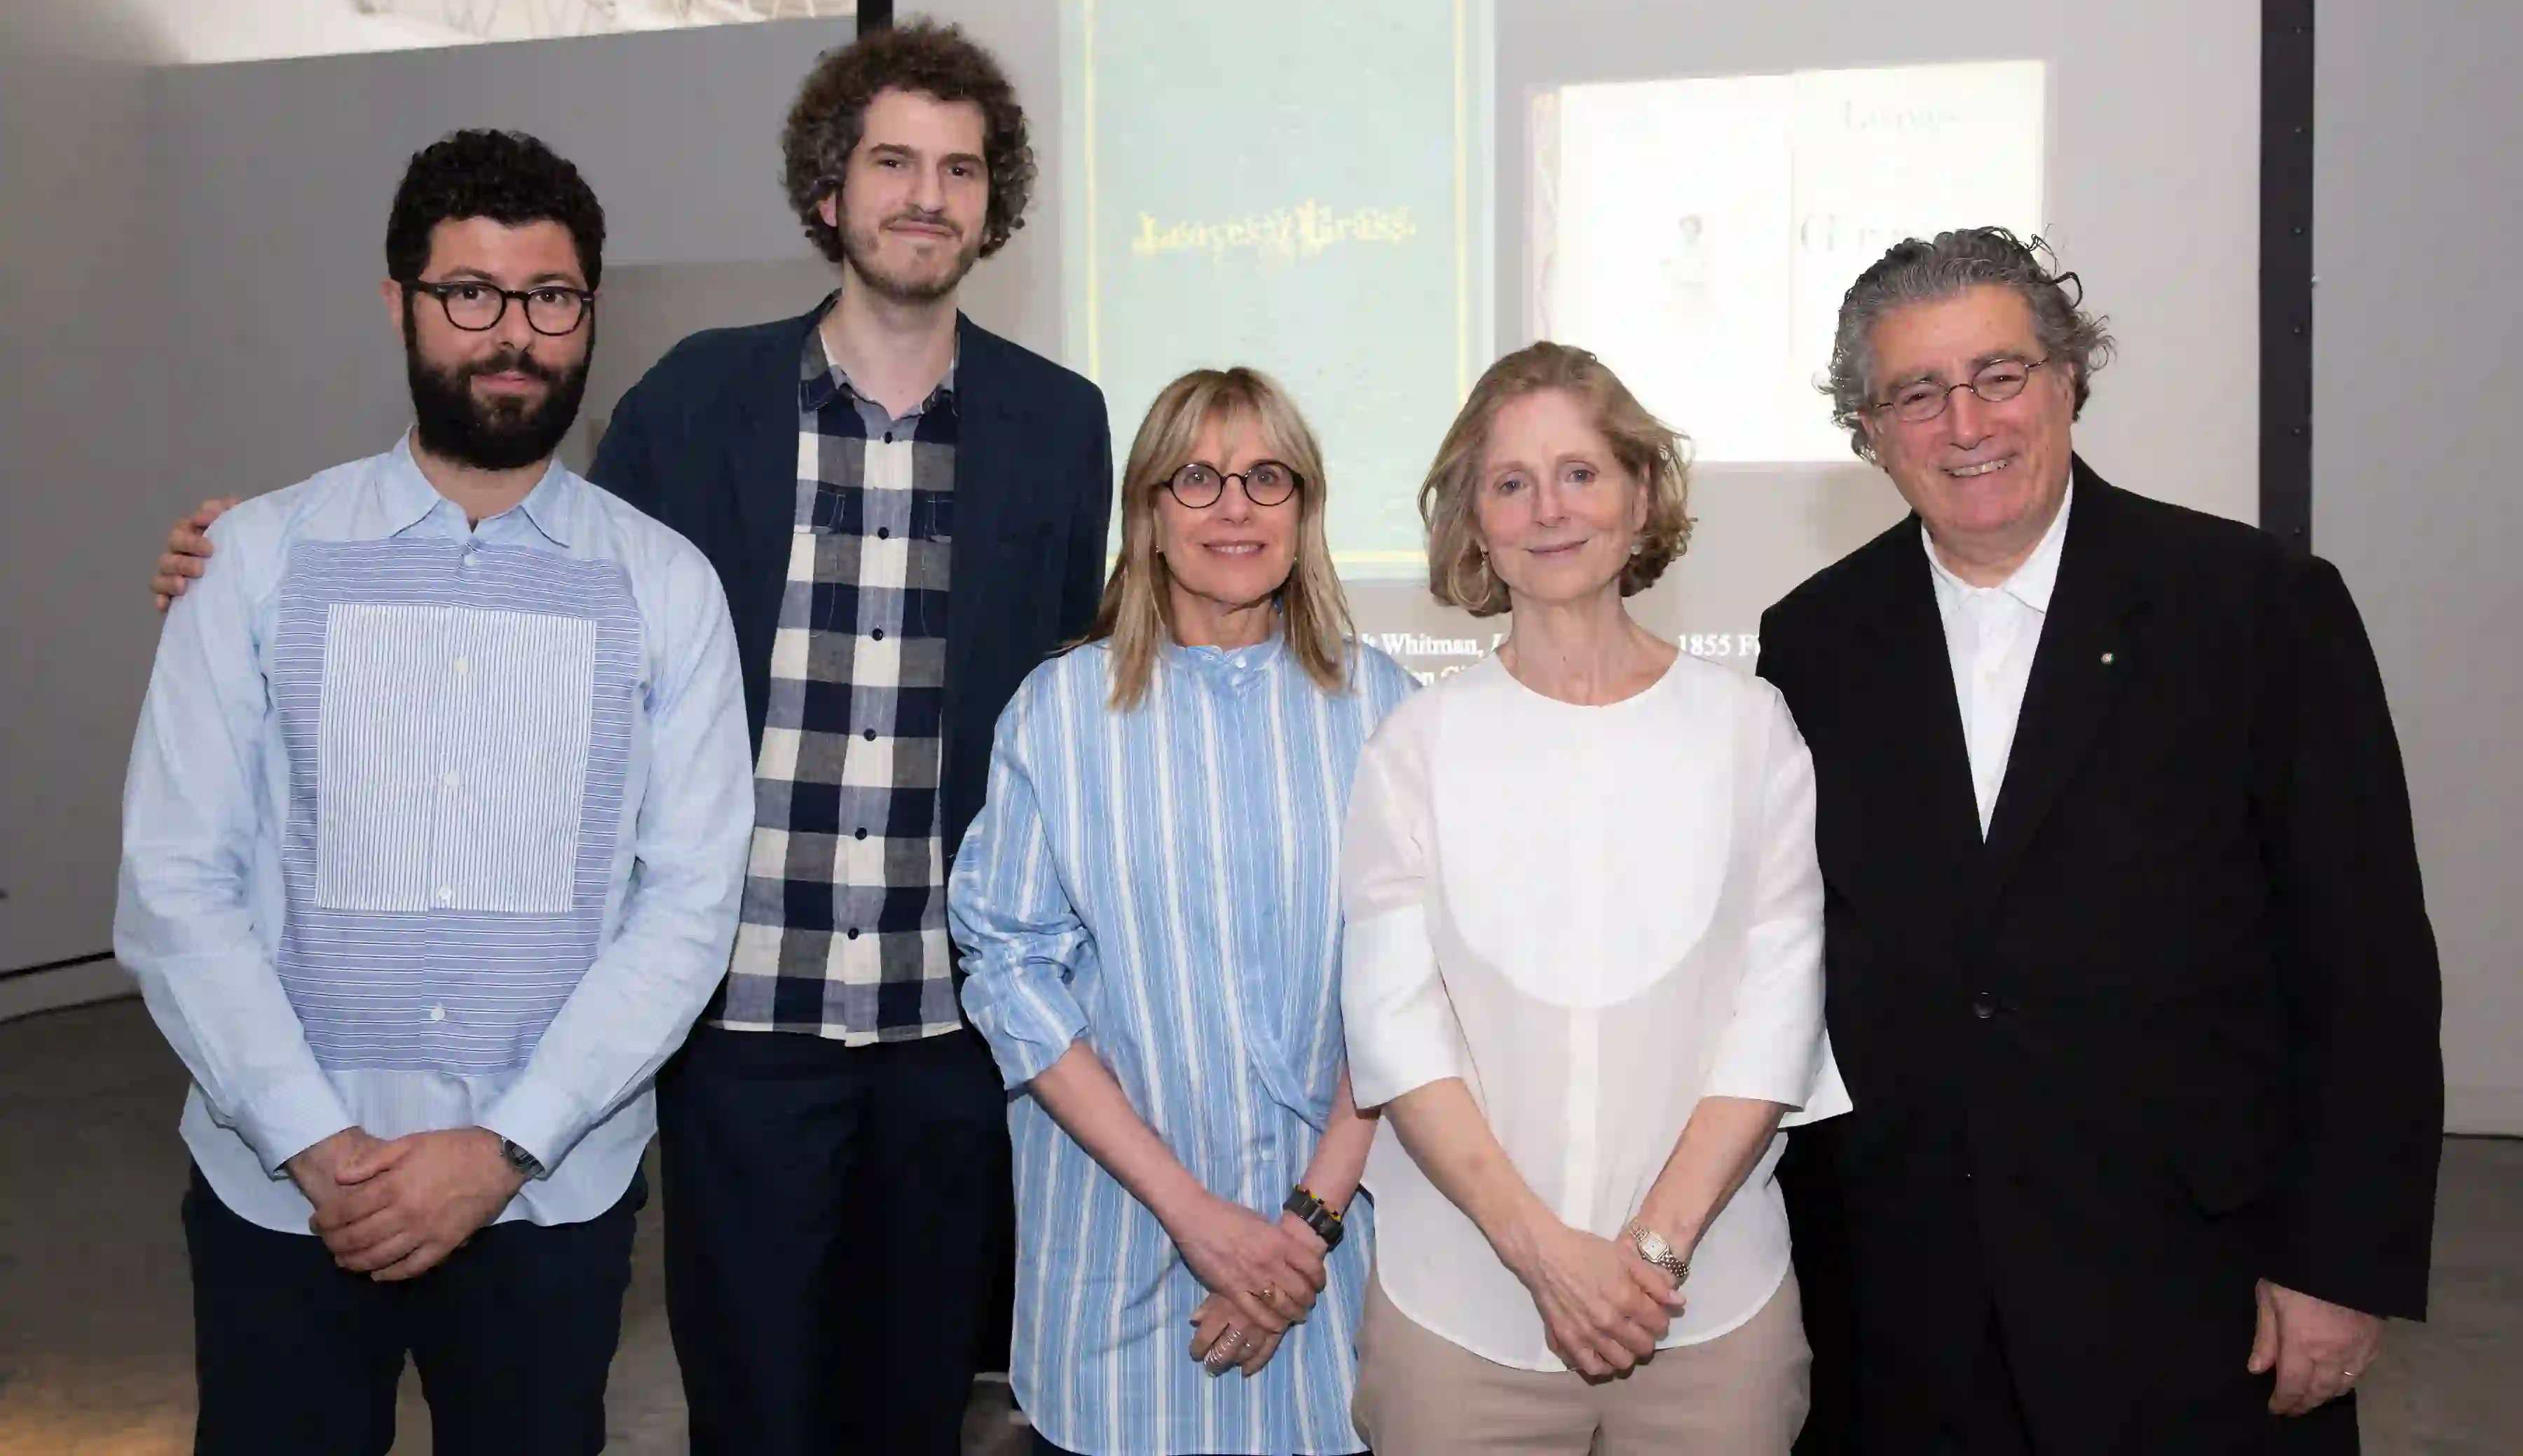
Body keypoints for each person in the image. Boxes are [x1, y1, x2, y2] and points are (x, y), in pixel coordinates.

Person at [144, 20, 1114, 1456]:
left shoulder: (1062, 422)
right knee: (748, 1408)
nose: (927, 193)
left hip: (948, 1024)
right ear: (829, 190)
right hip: (736, 1024)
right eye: (893, 160)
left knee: (916, 1402)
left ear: (995, 198)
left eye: (961, 168)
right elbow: (539, 561)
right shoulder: (691, 403)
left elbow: (1066, 692)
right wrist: (242, 561)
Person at [114, 128, 754, 1456]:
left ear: (590, 313)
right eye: (469, 292)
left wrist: (501, 1148)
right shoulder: (254, 561)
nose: (510, 335)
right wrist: (309, 1142)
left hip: (545, 1198)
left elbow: (688, 905)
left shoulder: (668, 588)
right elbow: (177, 881)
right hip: (281, 1195)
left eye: (550, 298)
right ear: (399, 301)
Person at [1758, 228, 2442, 1455]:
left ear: (2069, 379)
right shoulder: (1814, 640)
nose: (1965, 422)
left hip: (2200, 1297)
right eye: (1918, 392)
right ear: (1869, 430)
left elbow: (2369, 964)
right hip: (1910, 1310)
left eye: (2000, 375)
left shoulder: (2256, 608)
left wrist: (2341, 1264)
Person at [1341, 341, 1848, 1455]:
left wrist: (1648, 1261)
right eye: (1511, 482)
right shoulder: (1414, 746)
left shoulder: (1748, 729)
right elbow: (1395, 1030)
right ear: (1473, 521)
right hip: (1462, 1324)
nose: (1549, 509)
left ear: (1641, 493)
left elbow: (1777, 1021)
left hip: (1709, 1321)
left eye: (1581, 472)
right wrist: (1548, 1259)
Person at [948, 367, 1415, 1456]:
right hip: (1121, 1251)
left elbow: (1414, 984)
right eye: (1197, 478)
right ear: (1150, 517)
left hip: (1332, 1261)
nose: (1236, 506)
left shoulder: (1386, 707)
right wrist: (1199, 1221)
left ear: (1305, 511)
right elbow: (1009, 975)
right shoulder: (1059, 711)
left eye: (1267, 476)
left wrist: (1300, 1232)